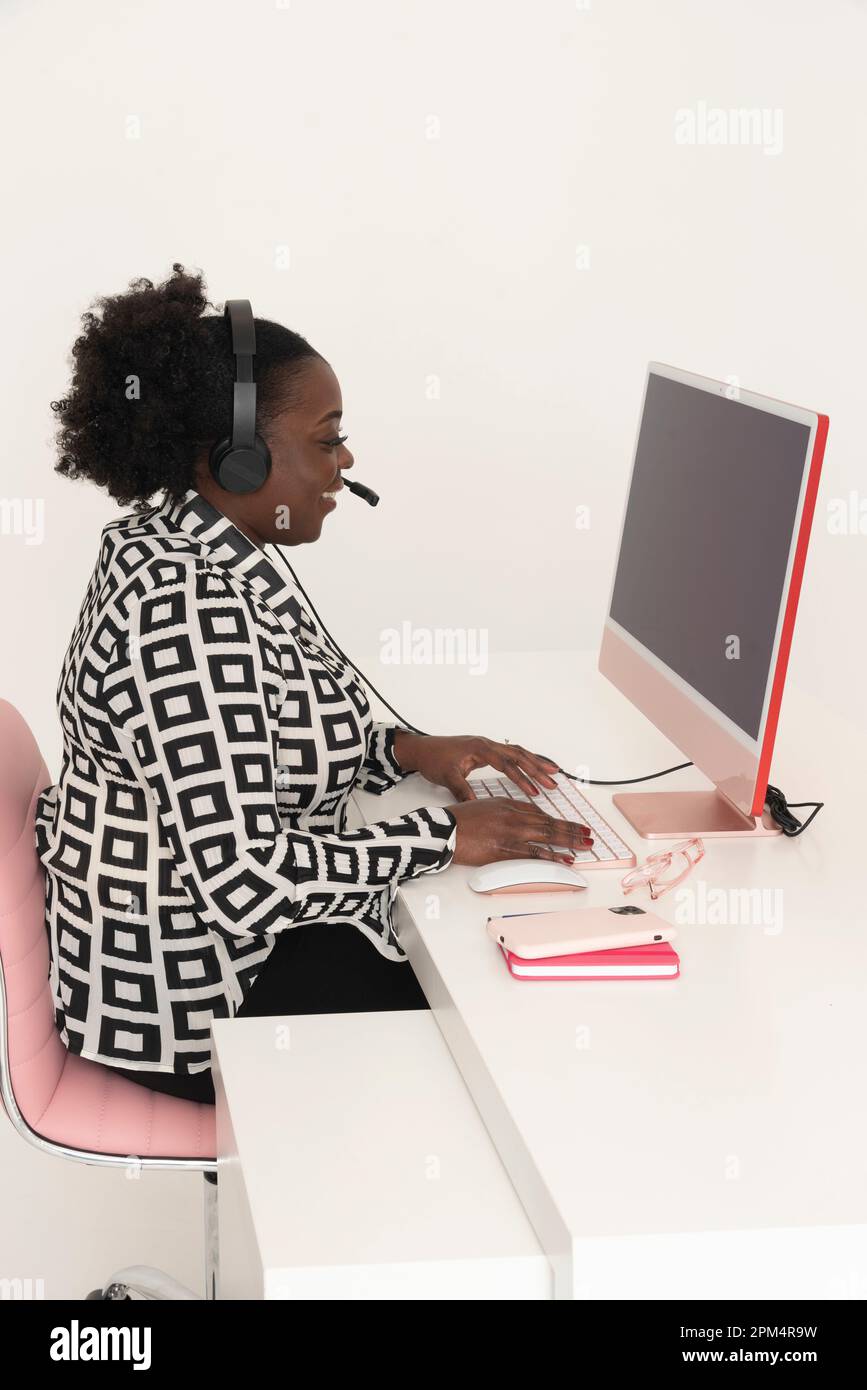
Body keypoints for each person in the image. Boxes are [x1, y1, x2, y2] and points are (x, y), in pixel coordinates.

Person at [35, 263, 591, 1105]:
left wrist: (404, 749)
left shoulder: (191, 547)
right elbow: (244, 881)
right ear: (243, 458)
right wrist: (446, 839)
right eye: (326, 439)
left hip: (208, 958)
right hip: (194, 1008)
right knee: (501, 1012)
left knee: (484, 952)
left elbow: (263, 734)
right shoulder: (187, 608)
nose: (346, 459)